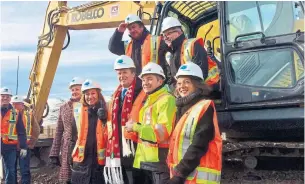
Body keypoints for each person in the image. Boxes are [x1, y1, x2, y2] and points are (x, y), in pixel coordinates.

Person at [167, 62, 222, 184]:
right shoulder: (182, 109)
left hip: (197, 178)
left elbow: (199, 144)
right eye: (179, 83)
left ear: (197, 85)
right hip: (185, 176)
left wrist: (180, 173)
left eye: (187, 82)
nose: (182, 86)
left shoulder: (204, 106)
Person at [126, 63, 177, 184]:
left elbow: (162, 132)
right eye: (143, 80)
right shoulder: (150, 99)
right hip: (147, 161)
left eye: (150, 79)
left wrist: (135, 127)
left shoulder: (167, 99)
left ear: (160, 81)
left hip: (159, 162)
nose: (145, 83)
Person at [103, 55, 147, 184]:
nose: (122, 76)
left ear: (133, 73)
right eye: (119, 73)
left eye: (125, 72)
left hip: (137, 145)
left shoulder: (142, 91)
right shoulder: (117, 94)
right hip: (120, 146)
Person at [161, 17, 220, 90]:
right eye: (164, 36)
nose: (166, 38)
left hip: (209, 87)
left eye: (169, 33)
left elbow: (201, 74)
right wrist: (176, 92)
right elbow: (171, 80)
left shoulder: (193, 45)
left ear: (179, 32)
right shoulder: (169, 55)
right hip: (186, 91)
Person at [108, 14, 169, 78]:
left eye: (134, 27)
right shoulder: (128, 45)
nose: (132, 30)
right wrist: (119, 31)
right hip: (136, 85)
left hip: (153, 83)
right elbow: (113, 47)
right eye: (129, 29)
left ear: (141, 27)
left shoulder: (157, 41)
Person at [70, 79, 108, 184]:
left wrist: (105, 120)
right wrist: (70, 155)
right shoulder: (78, 112)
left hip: (99, 163)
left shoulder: (107, 110)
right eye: (87, 94)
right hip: (81, 162)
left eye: (93, 93)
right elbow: (73, 136)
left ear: (98, 94)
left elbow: (111, 134)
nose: (90, 96)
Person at [49, 77, 84, 184]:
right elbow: (59, 131)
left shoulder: (87, 105)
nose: (74, 92)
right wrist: (54, 153)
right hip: (68, 147)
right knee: (68, 178)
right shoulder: (64, 107)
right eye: (72, 90)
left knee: (82, 175)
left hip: (83, 146)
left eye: (77, 89)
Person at [0, 87, 27, 184]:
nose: (5, 98)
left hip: (10, 147)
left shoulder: (15, 113)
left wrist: (23, 147)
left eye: (7, 97)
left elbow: (21, 131)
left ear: (10, 98)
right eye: (3, 96)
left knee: (10, 171)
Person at [11, 95, 40, 184]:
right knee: (12, 171)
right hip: (10, 148)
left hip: (24, 148)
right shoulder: (7, 115)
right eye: (13, 104)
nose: (15, 106)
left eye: (17, 104)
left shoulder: (29, 115)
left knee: (24, 171)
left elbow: (36, 129)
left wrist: (31, 143)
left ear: (22, 105)